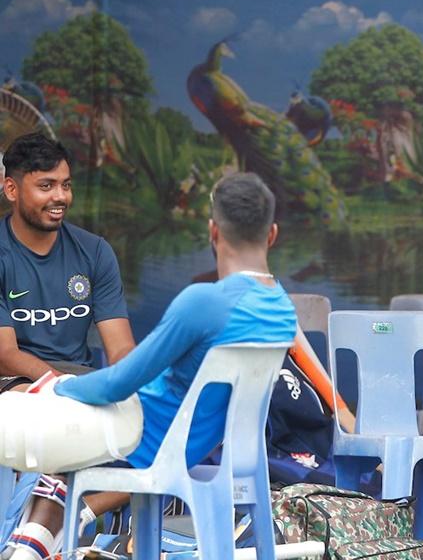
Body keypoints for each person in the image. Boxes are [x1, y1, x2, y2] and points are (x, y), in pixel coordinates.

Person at [0, 172, 298, 560]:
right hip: (199, 442)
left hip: (144, 436)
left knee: (30, 419)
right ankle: (34, 544)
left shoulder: (202, 302)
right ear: (272, 234)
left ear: (213, 231)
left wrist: (58, 388)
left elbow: (119, 383)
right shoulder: (282, 310)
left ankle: (26, 550)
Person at [0, 132, 135, 380]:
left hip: (79, 378)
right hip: (12, 381)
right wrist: (61, 385)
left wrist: (131, 376)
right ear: (11, 189)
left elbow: (120, 349)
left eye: (66, 185)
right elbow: (5, 355)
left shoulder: (95, 251)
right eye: (46, 186)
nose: (61, 196)